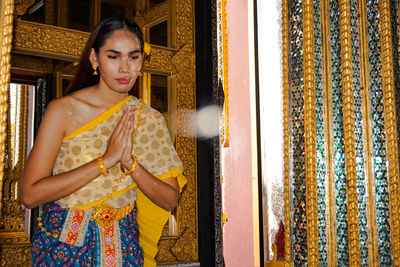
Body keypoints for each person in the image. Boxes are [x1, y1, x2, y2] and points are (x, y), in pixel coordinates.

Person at [20, 17, 186, 267]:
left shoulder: (148, 119)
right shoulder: (63, 111)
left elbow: (169, 200)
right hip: (64, 247)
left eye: (133, 57)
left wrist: (131, 164)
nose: (125, 68)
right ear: (95, 59)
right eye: (113, 56)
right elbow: (30, 195)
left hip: (124, 249)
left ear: (141, 61)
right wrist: (106, 160)